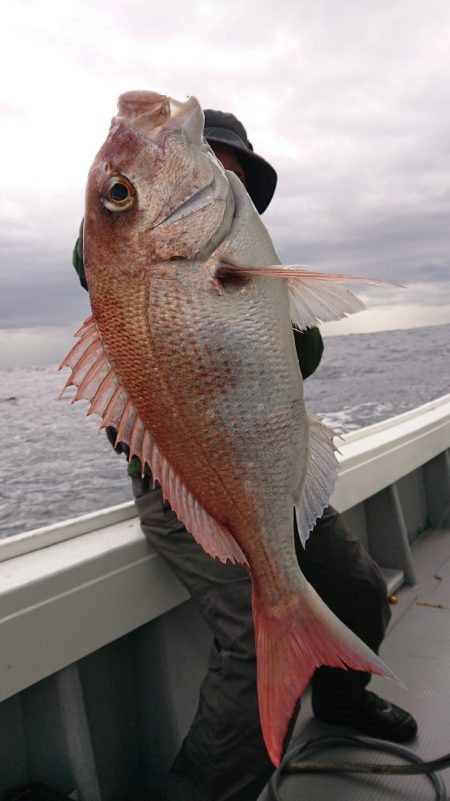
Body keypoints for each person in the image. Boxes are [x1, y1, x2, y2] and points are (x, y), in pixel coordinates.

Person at [73, 109, 417, 801]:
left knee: (353, 583)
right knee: (254, 639)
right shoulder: (134, 257)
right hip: (182, 486)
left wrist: (266, 292)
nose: (221, 173)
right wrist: (122, 201)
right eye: (211, 157)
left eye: (233, 168)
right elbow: (96, 255)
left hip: (263, 467)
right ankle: (204, 790)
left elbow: (304, 356)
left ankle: (343, 700)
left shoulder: (250, 261)